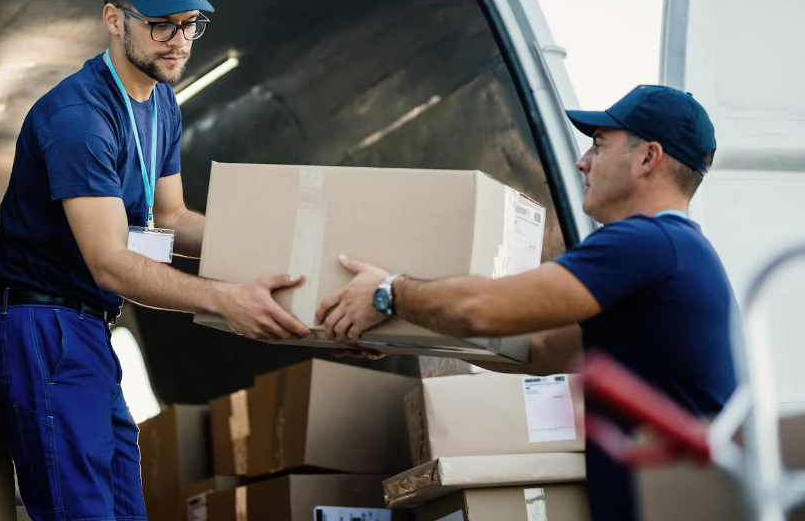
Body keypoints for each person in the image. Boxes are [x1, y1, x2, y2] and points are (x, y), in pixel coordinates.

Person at [0, 0, 310, 521]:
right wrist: (226, 300)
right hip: (43, 327)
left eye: (190, 23)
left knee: (127, 509)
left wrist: (283, 252)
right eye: (161, 24)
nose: (179, 39)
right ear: (113, 18)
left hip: (89, 330)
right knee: (82, 510)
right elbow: (110, 260)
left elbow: (173, 219)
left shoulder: (161, 103)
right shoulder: (79, 118)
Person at [316, 85, 737, 521]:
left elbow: (482, 309)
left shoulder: (646, 243)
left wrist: (389, 292)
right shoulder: (675, 252)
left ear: (648, 158)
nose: (582, 162)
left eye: (598, 145)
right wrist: (403, 333)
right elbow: (532, 350)